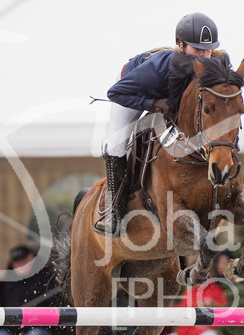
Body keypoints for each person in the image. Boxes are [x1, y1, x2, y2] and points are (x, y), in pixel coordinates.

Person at [97, 12, 231, 236]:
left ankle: (230, 192)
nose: (205, 56)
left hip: (171, 99)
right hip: (136, 93)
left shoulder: (216, 62)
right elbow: (115, 92)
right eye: (197, 50)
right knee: (117, 144)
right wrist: (153, 103)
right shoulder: (158, 68)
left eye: (208, 49)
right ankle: (114, 211)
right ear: (180, 45)